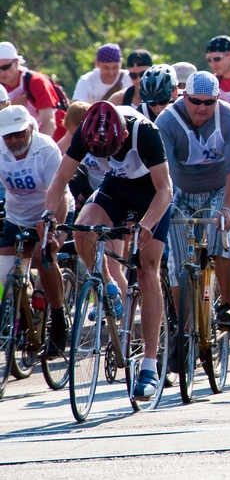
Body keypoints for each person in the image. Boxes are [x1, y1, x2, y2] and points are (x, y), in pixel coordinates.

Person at [44, 101, 172, 398]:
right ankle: (109, 284)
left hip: (152, 194)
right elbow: (59, 181)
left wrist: (147, 223)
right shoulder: (88, 131)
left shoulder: (145, 132)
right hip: (115, 187)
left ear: (124, 136)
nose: (108, 156)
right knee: (83, 228)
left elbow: (165, 189)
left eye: (113, 151)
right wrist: (49, 216)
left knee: (147, 270)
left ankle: (150, 367)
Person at [155, 71, 230, 329]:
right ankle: (183, 333)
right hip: (179, 191)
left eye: (209, 102)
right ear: (183, 96)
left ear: (218, 99)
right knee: (176, 263)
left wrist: (228, 210)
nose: (202, 107)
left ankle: (226, 304)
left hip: (219, 189)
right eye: (195, 101)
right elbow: (162, 173)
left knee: (222, 236)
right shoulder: (167, 121)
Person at [0, 106, 69, 359]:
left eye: (19, 134)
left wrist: (50, 225)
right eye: (8, 136)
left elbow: (58, 191)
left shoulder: (46, 149)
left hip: (53, 209)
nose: (14, 141)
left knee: (43, 257)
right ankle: (23, 313)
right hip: (17, 217)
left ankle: (59, 321)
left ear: (30, 128)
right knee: (5, 273)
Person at [0, 41, 66, 139]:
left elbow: (49, 123)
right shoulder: (2, 87)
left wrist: (40, 149)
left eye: (5, 67)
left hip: (57, 138)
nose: (1, 73)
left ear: (16, 62)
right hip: (24, 140)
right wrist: (11, 107)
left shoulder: (35, 82)